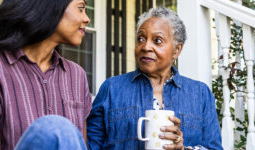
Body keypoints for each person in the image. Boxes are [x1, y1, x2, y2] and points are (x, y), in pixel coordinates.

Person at [87, 7, 223, 150]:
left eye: (157, 41)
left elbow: (214, 148)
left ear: (177, 50)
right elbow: (90, 146)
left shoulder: (200, 94)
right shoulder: (111, 89)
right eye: (141, 39)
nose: (146, 47)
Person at [0, 0, 92, 149]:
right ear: (48, 6)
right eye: (80, 9)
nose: (87, 19)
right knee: (56, 127)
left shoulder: (77, 76)